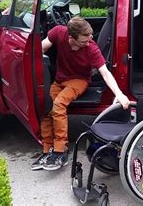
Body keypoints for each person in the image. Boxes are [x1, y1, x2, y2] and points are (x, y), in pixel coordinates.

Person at [31, 16, 130, 171]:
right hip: (59, 80)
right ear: (71, 37)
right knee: (46, 108)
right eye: (84, 40)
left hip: (79, 80)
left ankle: (60, 150)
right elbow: (39, 49)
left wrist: (119, 94)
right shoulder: (59, 32)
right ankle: (47, 149)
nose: (89, 41)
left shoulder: (91, 47)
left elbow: (105, 73)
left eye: (90, 37)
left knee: (58, 105)